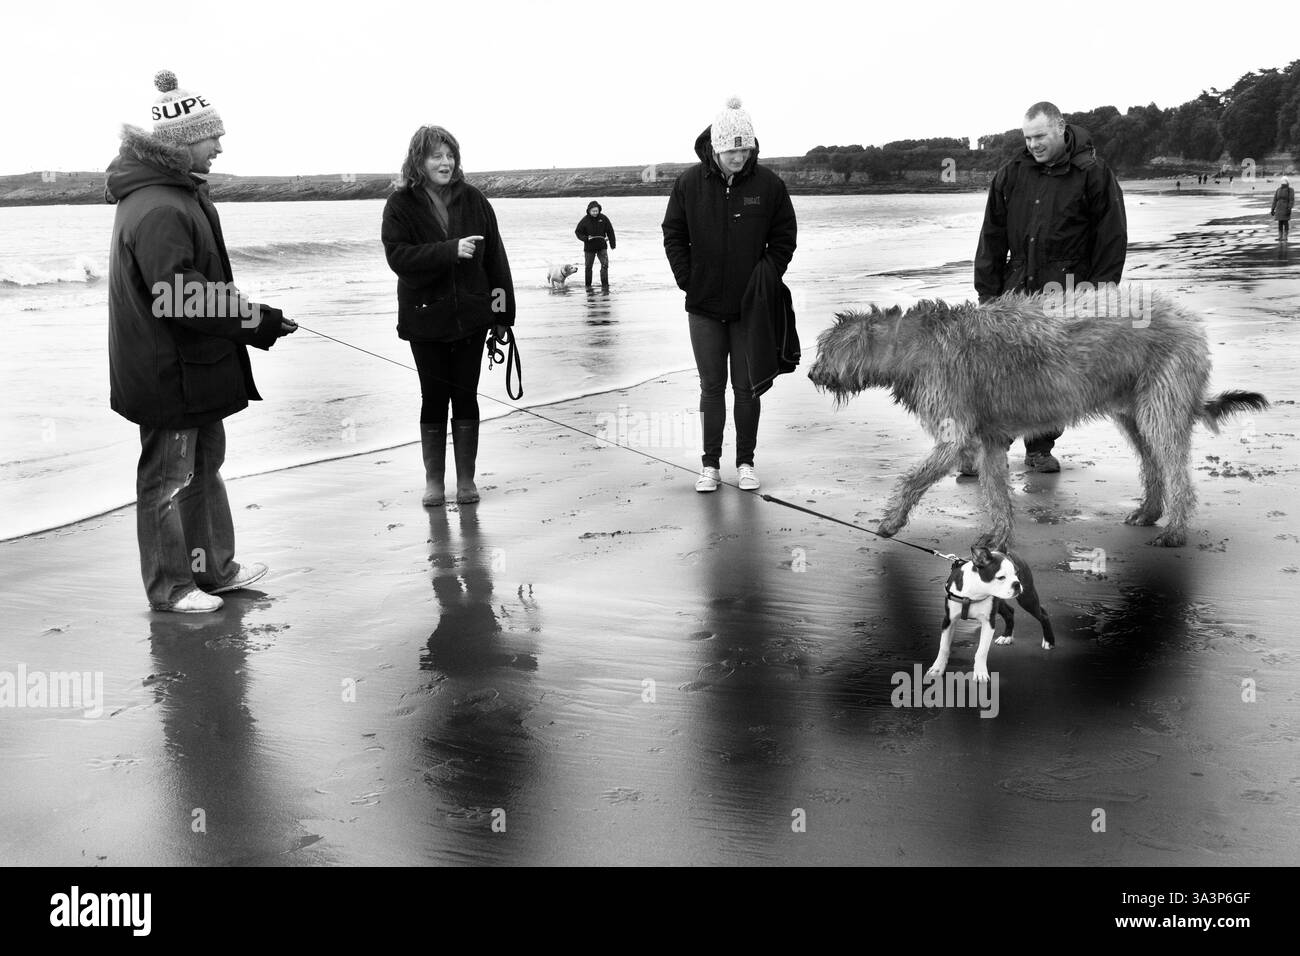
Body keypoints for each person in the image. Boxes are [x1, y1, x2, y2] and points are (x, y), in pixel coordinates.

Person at [106, 70, 297, 613]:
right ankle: (171, 588)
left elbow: (196, 286)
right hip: (168, 370)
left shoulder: (177, 194)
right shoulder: (160, 204)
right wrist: (255, 320)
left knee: (203, 463)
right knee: (169, 476)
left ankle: (212, 570)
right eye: (212, 135)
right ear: (182, 140)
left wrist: (255, 319)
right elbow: (179, 295)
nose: (220, 144)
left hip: (196, 362)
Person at [973, 100, 1127, 474]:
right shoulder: (1011, 173)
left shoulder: (1092, 173)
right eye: (1027, 138)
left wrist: (1099, 295)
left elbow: (1112, 237)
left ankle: (1040, 448)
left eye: (1040, 136)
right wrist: (987, 293)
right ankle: (991, 449)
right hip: (1016, 289)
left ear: (1060, 127)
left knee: (1052, 374)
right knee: (1004, 372)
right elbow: (991, 236)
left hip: (1070, 290)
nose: (1034, 145)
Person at [662, 97, 797, 493]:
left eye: (744, 147)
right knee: (711, 387)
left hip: (749, 308)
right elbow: (673, 233)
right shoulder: (688, 183)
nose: (739, 156)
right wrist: (687, 277)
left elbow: (784, 237)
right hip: (703, 306)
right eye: (731, 148)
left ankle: (745, 461)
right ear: (716, 147)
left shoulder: (768, 185)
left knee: (746, 386)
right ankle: (710, 465)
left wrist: (766, 277)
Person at [381, 126, 515, 507]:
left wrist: (503, 314)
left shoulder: (474, 199)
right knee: (434, 397)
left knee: (466, 396)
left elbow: (496, 261)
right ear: (418, 161)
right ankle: (435, 482)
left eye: (449, 155)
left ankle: (467, 480)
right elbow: (399, 259)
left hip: (473, 316)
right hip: (425, 320)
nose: (445, 162)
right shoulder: (400, 204)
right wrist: (449, 250)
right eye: (436, 156)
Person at [574, 201, 616, 288]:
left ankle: (605, 285)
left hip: (602, 247)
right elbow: (578, 232)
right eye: (593, 211)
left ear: (599, 210)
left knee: (605, 266)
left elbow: (610, 231)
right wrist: (586, 238)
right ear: (589, 211)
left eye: (596, 211)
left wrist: (612, 244)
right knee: (588, 267)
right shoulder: (585, 220)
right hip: (589, 248)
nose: (595, 213)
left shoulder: (603, 218)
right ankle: (588, 286)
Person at [1271, 176, 1293, 241]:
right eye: (1282, 181)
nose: (1283, 182)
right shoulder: (1278, 189)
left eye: (1284, 181)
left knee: (1285, 222)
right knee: (1280, 222)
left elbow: (1291, 200)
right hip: (1278, 208)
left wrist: (1289, 208)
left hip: (1286, 208)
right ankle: (1280, 237)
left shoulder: (1290, 190)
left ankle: (1285, 236)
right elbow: (1275, 200)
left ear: (1287, 181)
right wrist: (1272, 209)